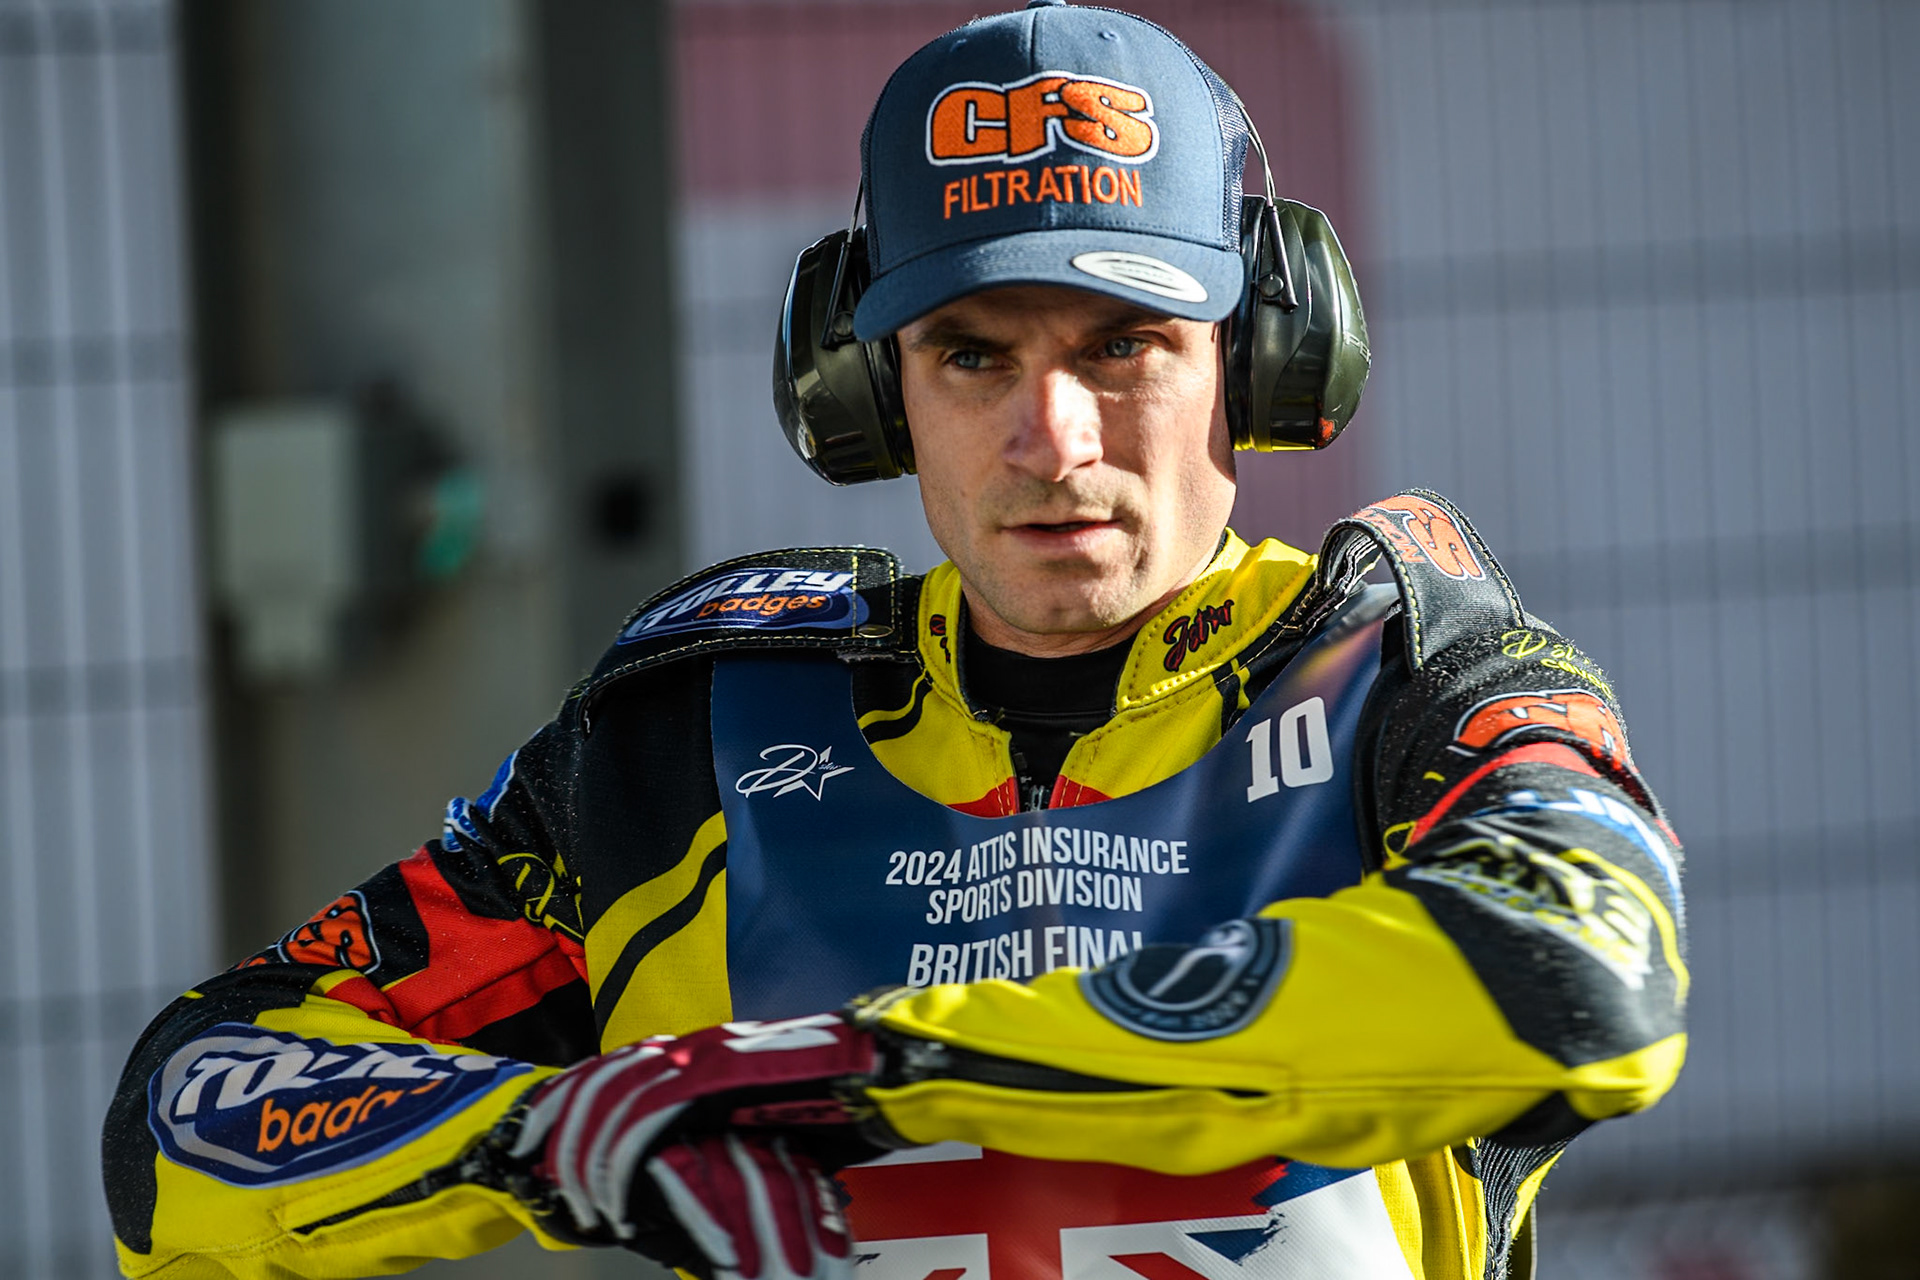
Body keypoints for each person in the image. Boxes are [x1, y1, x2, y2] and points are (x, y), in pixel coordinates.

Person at [104, 4, 1687, 1278]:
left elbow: (1582, 963)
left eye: (1126, 344)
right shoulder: (692, 738)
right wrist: (546, 1134)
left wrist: (862, 1072)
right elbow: (183, 1120)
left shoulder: (1400, 672)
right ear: (866, 392)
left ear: (1263, 356)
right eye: (971, 355)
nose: (1051, 440)